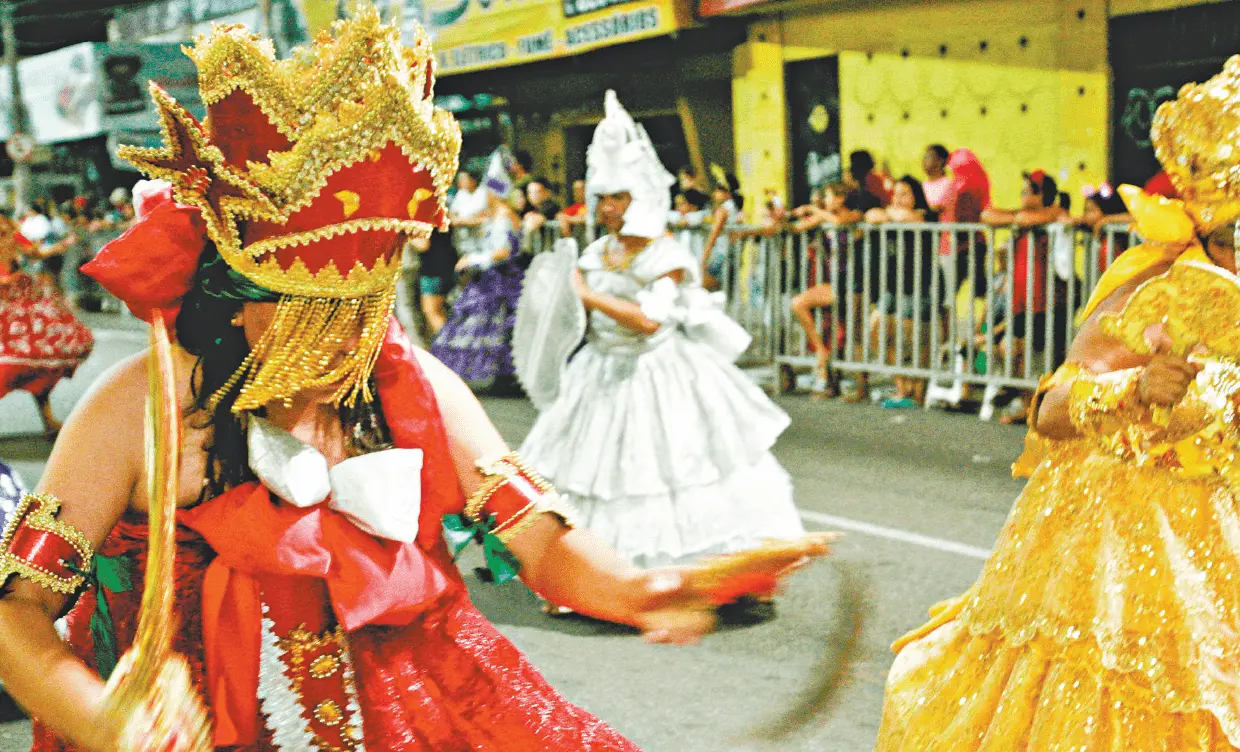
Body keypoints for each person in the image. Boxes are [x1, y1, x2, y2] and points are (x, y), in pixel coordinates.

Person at [6, 13, 824, 752]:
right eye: (305, 313)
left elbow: (539, 544)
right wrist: (102, 715)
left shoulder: (407, 382)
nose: (339, 343)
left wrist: (642, 590)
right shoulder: (140, 408)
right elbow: (15, 613)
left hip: (423, 712)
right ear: (236, 298)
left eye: (361, 313)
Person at [876, 58, 1240, 749]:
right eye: (1233, 237)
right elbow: (1049, 409)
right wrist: (1133, 390)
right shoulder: (1154, 284)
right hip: (1120, 546)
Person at [520, 91, 806, 604]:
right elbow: (574, 317)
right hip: (601, 374)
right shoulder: (593, 253)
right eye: (603, 197)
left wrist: (585, 294)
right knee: (601, 477)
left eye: (620, 197)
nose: (608, 208)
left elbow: (651, 320)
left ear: (641, 197)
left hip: (659, 374)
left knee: (678, 474)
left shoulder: (665, 255)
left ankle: (703, 578)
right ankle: (600, 580)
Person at [0, 214, 93, 439]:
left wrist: (62, 245)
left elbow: (36, 253)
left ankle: (48, 420)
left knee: (40, 366)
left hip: (20, 308)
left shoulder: (13, 231)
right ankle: (49, 421)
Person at [429, 184, 525, 389]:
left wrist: (475, 258)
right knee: (485, 327)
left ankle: (504, 376)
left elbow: (504, 251)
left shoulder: (506, 216)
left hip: (501, 280)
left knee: (494, 327)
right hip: (489, 277)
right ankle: (499, 376)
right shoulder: (494, 214)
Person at [861, 175, 938, 408]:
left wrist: (891, 215)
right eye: (895, 194)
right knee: (878, 331)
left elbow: (910, 218)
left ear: (916, 196)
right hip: (891, 288)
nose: (898, 199)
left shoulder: (927, 215)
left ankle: (918, 392)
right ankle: (901, 386)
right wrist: (889, 214)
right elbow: (871, 215)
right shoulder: (890, 215)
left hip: (917, 287)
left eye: (904, 193)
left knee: (915, 342)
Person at [699, 168, 744, 291]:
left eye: (717, 190)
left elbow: (714, 234)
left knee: (702, 287)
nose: (714, 194)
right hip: (733, 255)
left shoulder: (723, 210)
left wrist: (704, 257)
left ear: (726, 192)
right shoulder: (734, 207)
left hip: (722, 255)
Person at [921, 144, 951, 213]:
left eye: (927, 157)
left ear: (940, 161)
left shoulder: (948, 185)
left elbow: (941, 208)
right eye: (923, 157)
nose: (923, 160)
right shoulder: (922, 185)